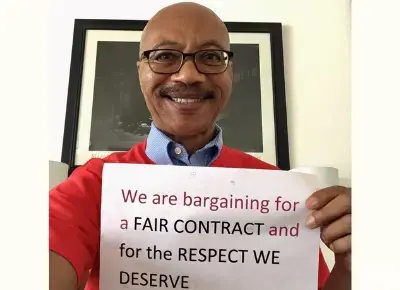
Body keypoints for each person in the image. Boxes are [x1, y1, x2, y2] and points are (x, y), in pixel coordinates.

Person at [49, 2, 351, 290]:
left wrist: (353, 265)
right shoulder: (94, 185)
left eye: (211, 57)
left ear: (230, 73)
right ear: (141, 71)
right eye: (165, 56)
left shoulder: (278, 192)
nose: (188, 75)